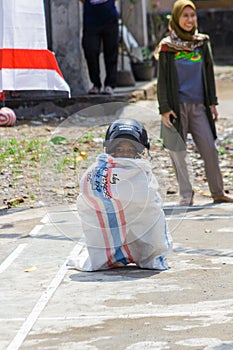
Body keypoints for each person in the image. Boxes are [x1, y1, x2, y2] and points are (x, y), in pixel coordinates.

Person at [67, 118, 172, 271]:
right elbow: (88, 197)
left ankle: (145, 254)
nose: (125, 154)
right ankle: (110, 254)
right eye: (120, 150)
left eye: (130, 150)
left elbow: (151, 205)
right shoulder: (98, 171)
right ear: (110, 150)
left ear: (139, 151)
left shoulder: (143, 174)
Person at [155, 0, 233, 206]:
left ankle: (218, 192)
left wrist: (212, 103)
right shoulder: (167, 47)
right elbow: (161, 80)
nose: (190, 20)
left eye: (193, 15)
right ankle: (186, 196)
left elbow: (208, 73)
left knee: (210, 149)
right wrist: (164, 108)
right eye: (185, 16)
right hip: (176, 108)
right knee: (178, 153)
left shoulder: (202, 43)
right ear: (177, 18)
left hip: (199, 107)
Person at [80, 0, 119, 95]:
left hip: (110, 17)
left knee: (111, 51)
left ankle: (110, 84)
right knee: (90, 49)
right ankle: (96, 83)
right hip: (91, 19)